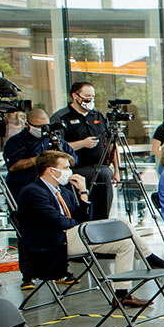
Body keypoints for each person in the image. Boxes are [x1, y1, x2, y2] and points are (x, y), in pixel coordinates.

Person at [15, 150, 164, 306]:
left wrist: (83, 192)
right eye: (65, 167)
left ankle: (122, 294)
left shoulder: (64, 192)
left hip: (71, 237)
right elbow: (59, 223)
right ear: (51, 170)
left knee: (125, 244)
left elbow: (84, 219)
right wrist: (79, 224)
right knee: (121, 223)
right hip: (52, 243)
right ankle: (152, 260)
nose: (69, 171)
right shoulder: (33, 192)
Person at [51, 81, 117, 222]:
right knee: (82, 210)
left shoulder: (98, 116)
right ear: (75, 96)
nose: (90, 100)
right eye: (87, 96)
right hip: (77, 169)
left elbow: (111, 144)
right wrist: (82, 144)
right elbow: (57, 147)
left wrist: (117, 170)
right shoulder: (61, 117)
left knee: (103, 209)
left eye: (92, 96)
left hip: (101, 170)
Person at [3, 108, 76, 202]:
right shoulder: (15, 142)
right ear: (27, 125)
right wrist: (39, 159)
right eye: (39, 127)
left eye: (46, 126)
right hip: (25, 185)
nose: (43, 130)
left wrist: (60, 158)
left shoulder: (54, 139)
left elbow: (73, 160)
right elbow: (13, 166)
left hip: (54, 186)